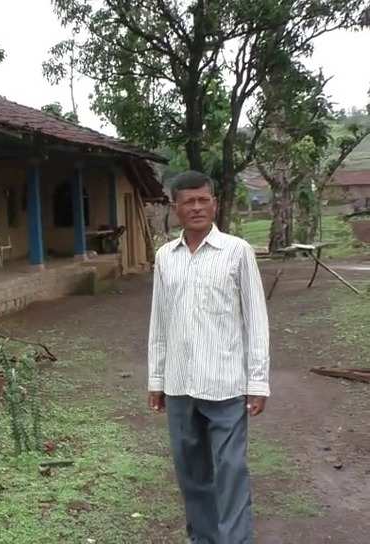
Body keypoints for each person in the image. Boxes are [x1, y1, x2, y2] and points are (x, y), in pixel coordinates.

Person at [147, 171, 270, 544]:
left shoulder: (237, 251)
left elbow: (256, 319)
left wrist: (258, 381)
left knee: (231, 470)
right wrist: (156, 380)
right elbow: (159, 322)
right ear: (176, 208)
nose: (197, 207)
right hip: (181, 385)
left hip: (226, 384)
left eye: (204, 200)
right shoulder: (165, 257)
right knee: (192, 473)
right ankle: (202, 537)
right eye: (189, 201)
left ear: (214, 203)